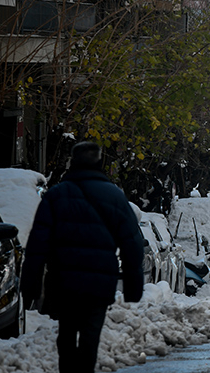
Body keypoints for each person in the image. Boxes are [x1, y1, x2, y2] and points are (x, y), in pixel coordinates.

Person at [22, 142, 145, 373]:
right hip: (100, 281)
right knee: (91, 334)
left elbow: (37, 245)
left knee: (66, 332)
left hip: (63, 279)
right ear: (100, 163)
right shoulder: (114, 196)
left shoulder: (56, 195)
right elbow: (132, 242)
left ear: (73, 161)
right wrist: (133, 287)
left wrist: (30, 286)